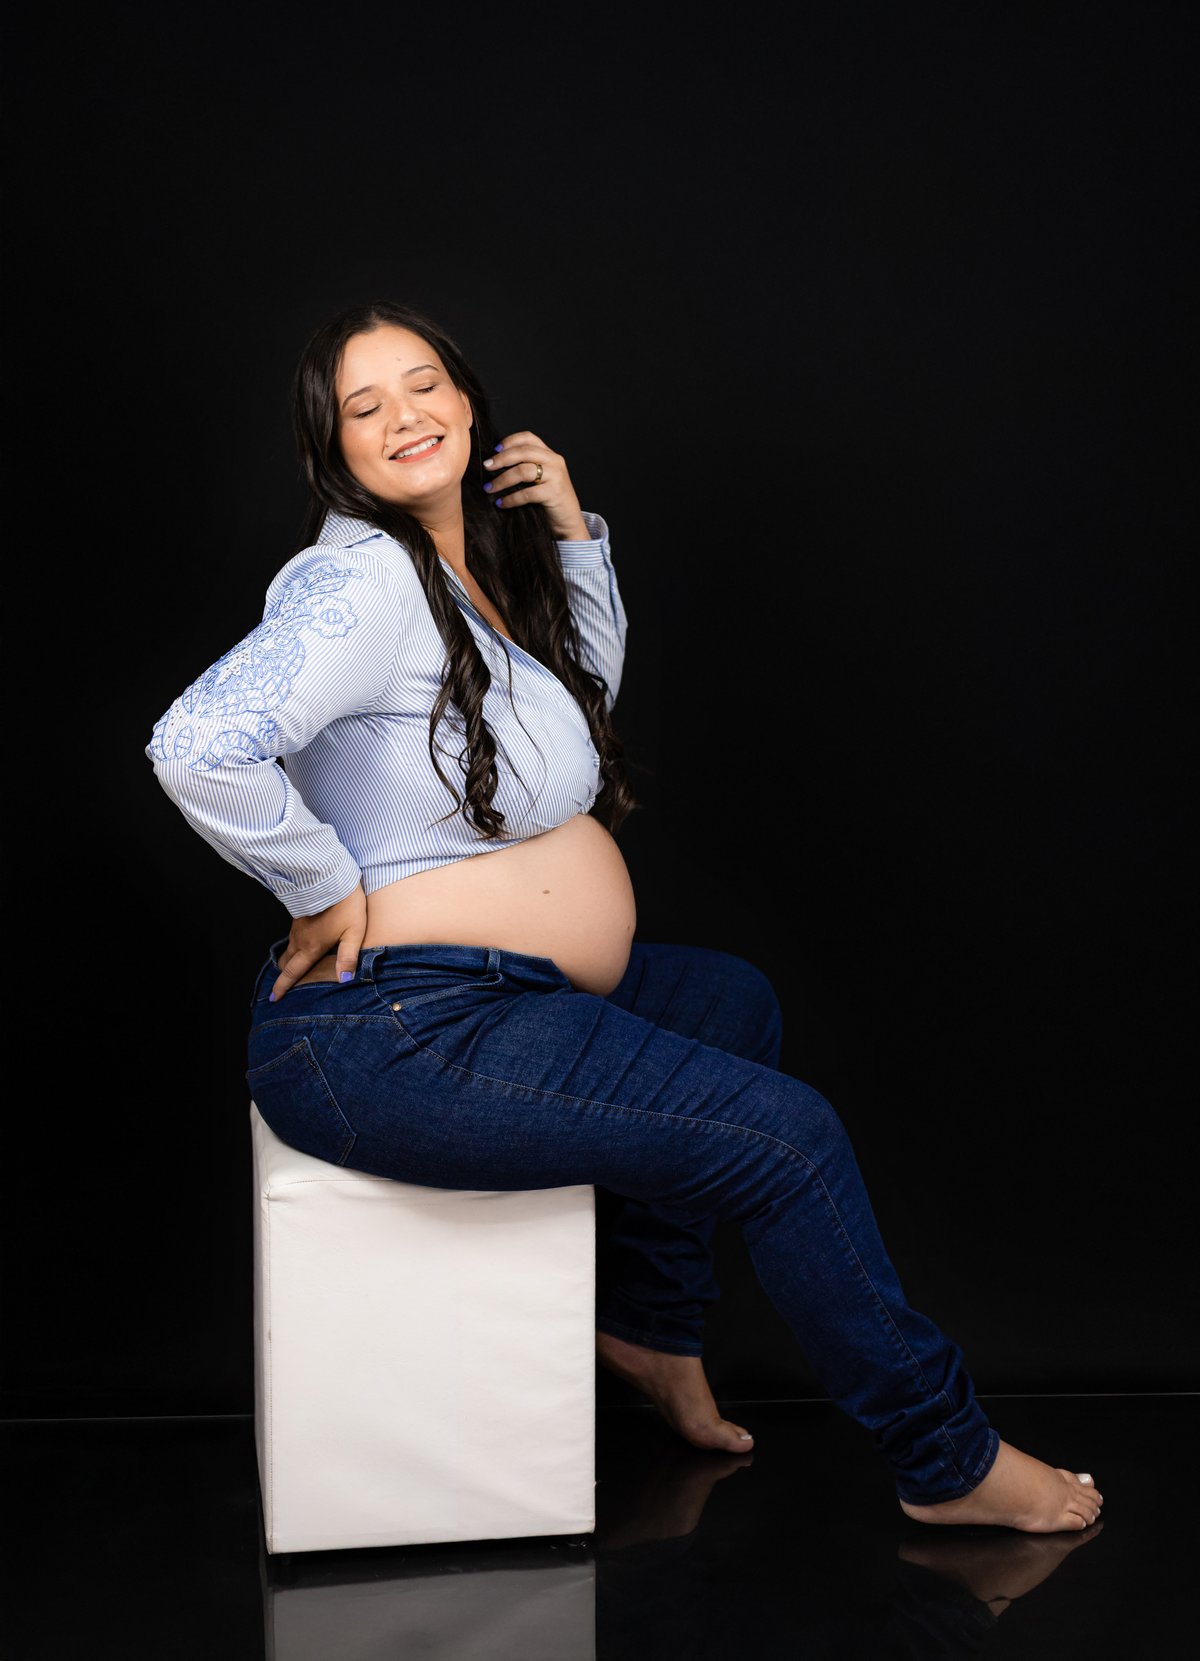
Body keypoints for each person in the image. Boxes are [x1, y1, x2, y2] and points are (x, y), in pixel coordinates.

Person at [148, 302, 1101, 1532]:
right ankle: (946, 1459)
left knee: (727, 1000)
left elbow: (571, 725)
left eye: (424, 384)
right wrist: (318, 883)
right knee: (786, 1139)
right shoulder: (361, 582)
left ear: (470, 403)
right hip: (387, 1034)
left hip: (478, 995)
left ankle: (650, 1332)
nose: (405, 417)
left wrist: (567, 533)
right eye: (364, 407)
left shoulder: (458, 582)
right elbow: (198, 741)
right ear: (333, 450)